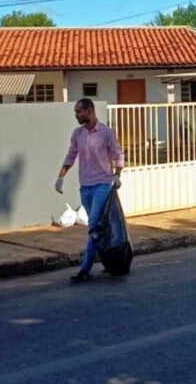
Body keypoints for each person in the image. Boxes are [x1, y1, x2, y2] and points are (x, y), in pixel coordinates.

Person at [55, 98, 124, 283]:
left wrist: (117, 174)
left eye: (79, 112)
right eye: (76, 113)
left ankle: (85, 268)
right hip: (85, 186)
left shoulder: (105, 133)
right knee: (100, 227)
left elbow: (117, 154)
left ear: (89, 111)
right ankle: (110, 259)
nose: (77, 116)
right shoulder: (77, 134)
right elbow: (71, 155)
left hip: (102, 184)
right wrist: (61, 176)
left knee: (93, 225)